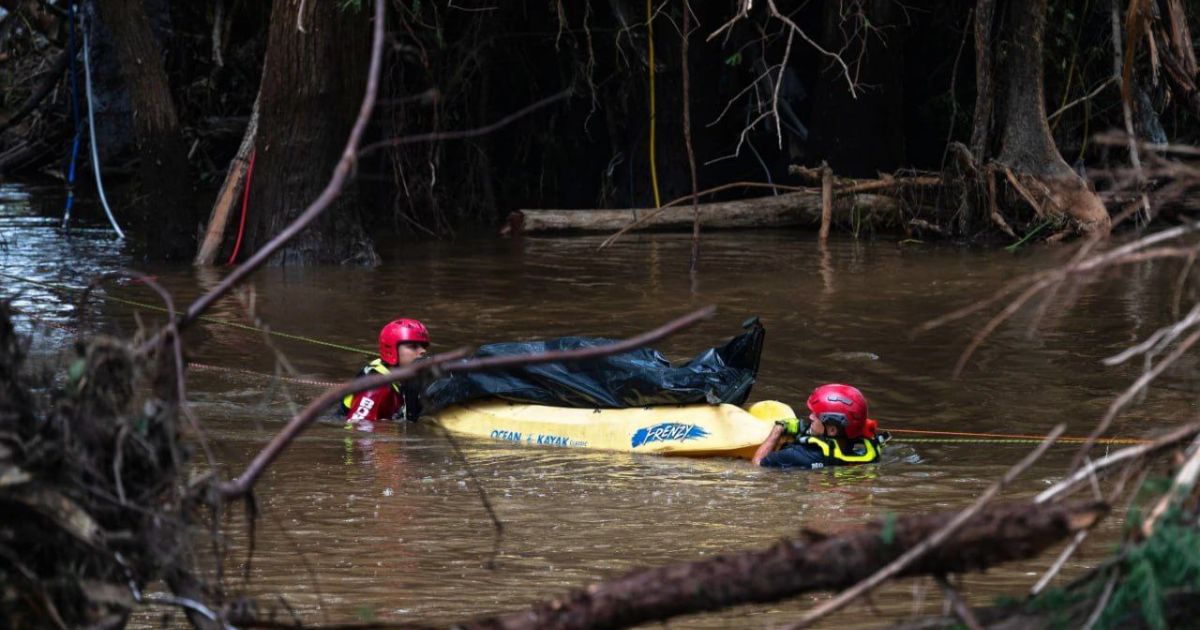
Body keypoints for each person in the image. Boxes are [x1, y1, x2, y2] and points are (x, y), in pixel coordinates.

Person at [752, 383, 888, 469]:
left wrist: (778, 430)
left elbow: (757, 465)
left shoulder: (797, 455)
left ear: (832, 430)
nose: (810, 417)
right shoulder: (870, 454)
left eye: (816, 416)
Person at [342, 318, 430, 431]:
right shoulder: (375, 388)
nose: (422, 351)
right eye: (413, 346)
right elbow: (356, 429)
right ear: (392, 350)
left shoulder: (409, 377)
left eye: (424, 346)